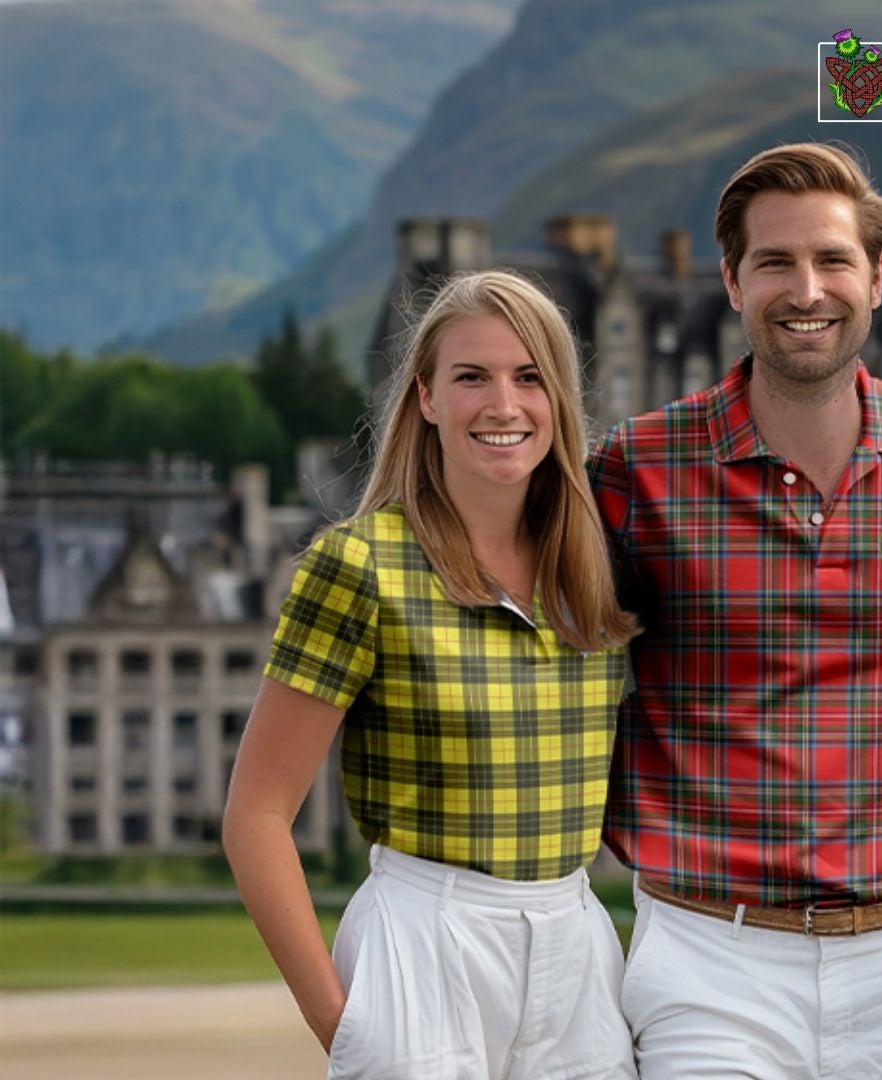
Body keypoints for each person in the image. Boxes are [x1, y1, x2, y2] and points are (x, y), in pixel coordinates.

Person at [588, 142, 882, 1079]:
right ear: (731, 279)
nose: (807, 289)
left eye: (833, 260)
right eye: (775, 263)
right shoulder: (640, 463)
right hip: (708, 952)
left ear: (879, 278)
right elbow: (549, 647)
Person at [224, 270, 640, 1080]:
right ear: (425, 397)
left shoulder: (598, 570)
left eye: (530, 378)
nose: (504, 405)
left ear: (560, 401)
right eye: (471, 377)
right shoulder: (362, 564)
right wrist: (344, 1027)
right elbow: (256, 814)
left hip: (578, 947)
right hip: (425, 937)